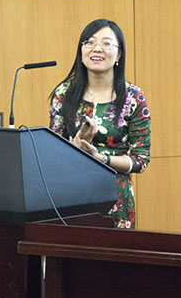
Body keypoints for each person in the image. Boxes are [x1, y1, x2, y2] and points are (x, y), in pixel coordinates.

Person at [49, 19, 151, 228]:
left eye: (106, 43)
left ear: (119, 54)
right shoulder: (64, 93)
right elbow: (51, 153)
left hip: (116, 200)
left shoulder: (133, 97)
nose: (97, 49)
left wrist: (101, 158)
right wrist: (75, 146)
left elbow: (140, 160)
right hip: (70, 197)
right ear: (81, 51)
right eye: (90, 42)